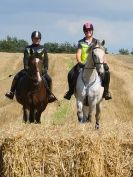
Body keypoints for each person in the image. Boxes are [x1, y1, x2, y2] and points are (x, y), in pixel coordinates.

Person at [64, 22, 112, 100]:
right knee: (71, 73)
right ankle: (70, 91)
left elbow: (102, 54)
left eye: (89, 30)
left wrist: (105, 63)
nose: (88, 32)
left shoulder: (97, 42)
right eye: (86, 30)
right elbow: (78, 53)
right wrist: (79, 62)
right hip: (83, 64)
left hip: (95, 64)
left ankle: (106, 92)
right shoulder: (81, 42)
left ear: (92, 31)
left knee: (107, 73)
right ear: (84, 31)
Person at [5, 31, 56, 103]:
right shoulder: (27, 49)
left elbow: (46, 61)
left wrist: (45, 69)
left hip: (40, 71)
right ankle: (11, 93)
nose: (37, 40)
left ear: (40, 39)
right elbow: (25, 60)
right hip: (29, 70)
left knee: (49, 79)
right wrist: (26, 68)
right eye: (35, 38)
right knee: (16, 77)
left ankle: (50, 95)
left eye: (38, 38)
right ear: (32, 39)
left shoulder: (43, 49)